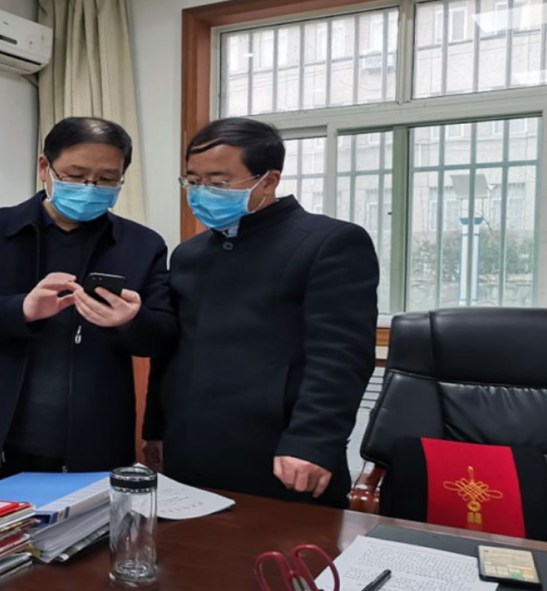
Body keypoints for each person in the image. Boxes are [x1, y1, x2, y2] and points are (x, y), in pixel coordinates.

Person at [0, 117, 177, 494]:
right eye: (76, 175)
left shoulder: (141, 245)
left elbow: (163, 337)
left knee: (90, 533)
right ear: (45, 167)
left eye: (107, 179)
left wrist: (130, 321)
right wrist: (20, 309)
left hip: (94, 445)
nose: (90, 188)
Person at [144, 118, 378, 508]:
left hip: (282, 454)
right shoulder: (189, 254)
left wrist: (313, 442)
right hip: (191, 448)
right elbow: (170, 350)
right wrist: (156, 428)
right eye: (193, 181)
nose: (201, 193)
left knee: (289, 548)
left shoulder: (329, 242)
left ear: (268, 181)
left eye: (218, 183)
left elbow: (340, 357)